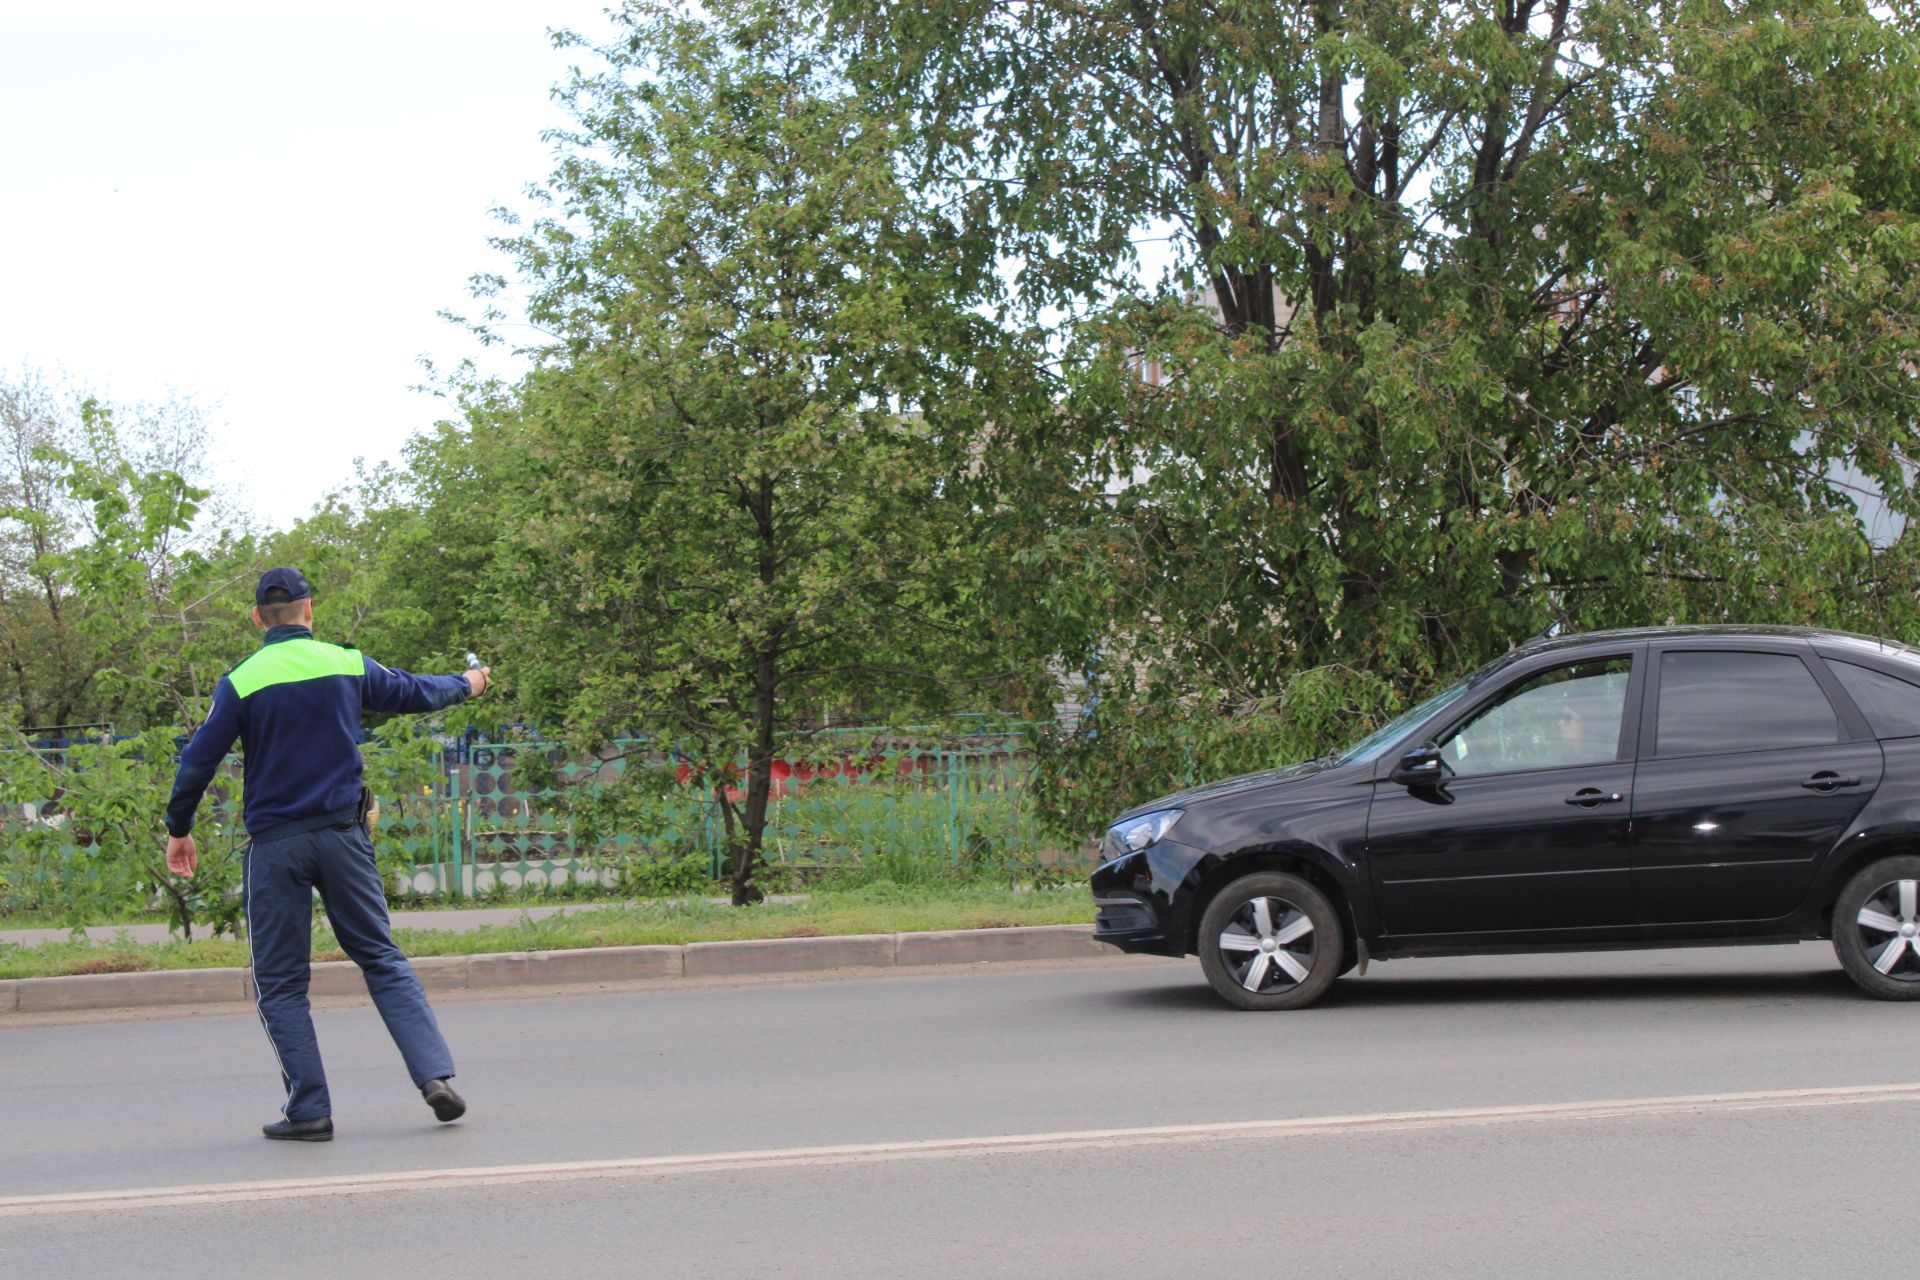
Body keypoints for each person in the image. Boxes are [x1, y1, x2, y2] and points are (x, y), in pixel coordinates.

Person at [163, 568, 491, 1142]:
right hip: (344, 838)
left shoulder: (240, 680)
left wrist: (179, 827)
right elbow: (415, 691)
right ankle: (434, 1076)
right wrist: (468, 683)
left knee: (282, 984)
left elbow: (198, 760)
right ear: (309, 611)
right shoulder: (346, 663)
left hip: (276, 850)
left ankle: (310, 1109)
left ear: (258, 618)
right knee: (382, 959)